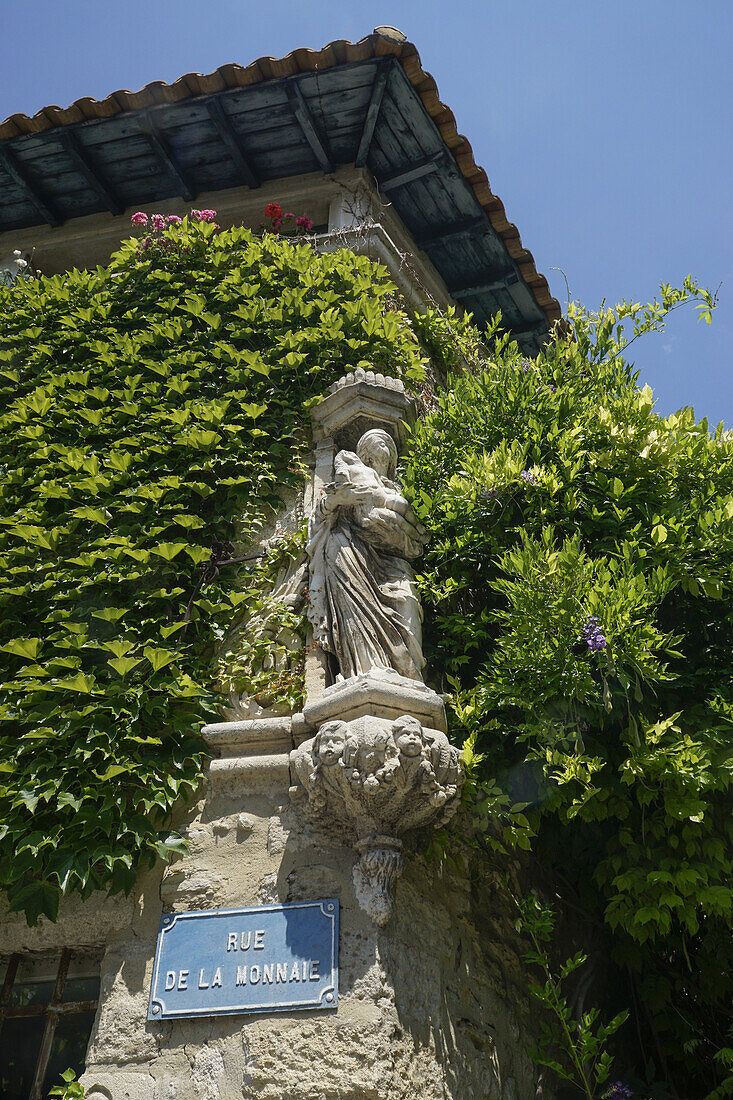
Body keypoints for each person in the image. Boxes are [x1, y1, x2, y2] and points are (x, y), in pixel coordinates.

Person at [307, 428, 427, 682]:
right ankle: (365, 670)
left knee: (408, 603)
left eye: (383, 457)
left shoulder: (393, 491)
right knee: (354, 612)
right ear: (363, 457)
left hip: (391, 564)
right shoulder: (351, 477)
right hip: (349, 552)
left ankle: (410, 679)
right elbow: (317, 525)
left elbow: (411, 543)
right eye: (371, 456)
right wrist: (337, 500)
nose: (376, 461)